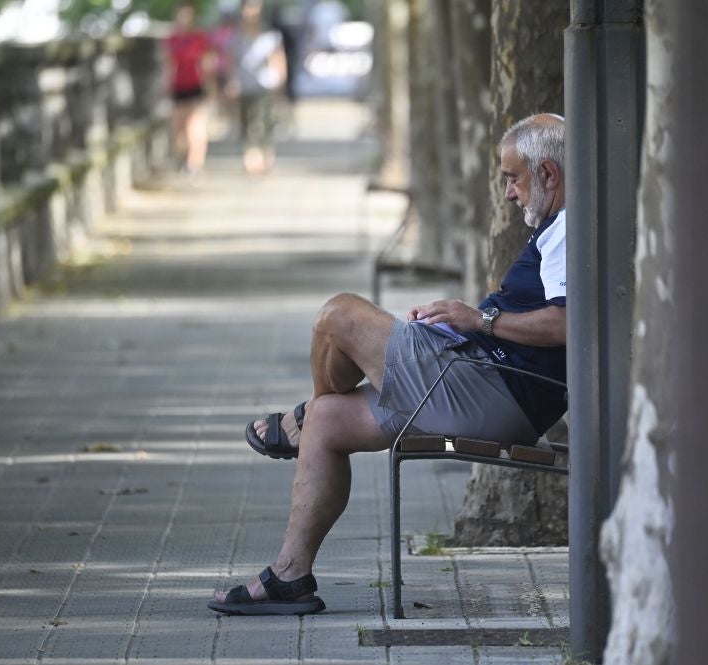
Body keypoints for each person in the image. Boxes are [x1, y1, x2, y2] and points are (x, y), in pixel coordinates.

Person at [208, 113, 568, 615]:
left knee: (339, 315)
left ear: (548, 174)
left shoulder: (572, 229)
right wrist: (463, 322)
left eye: (514, 177)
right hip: (474, 380)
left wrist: (480, 319)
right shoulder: (560, 227)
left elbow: (569, 324)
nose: (509, 192)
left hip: (492, 391)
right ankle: (290, 576)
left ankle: (303, 415)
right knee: (331, 423)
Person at [225, 0, 287, 175]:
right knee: (246, 123)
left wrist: (280, 83)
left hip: (264, 86)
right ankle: (250, 157)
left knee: (262, 123)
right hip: (244, 86)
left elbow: (278, 60)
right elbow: (232, 61)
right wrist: (232, 82)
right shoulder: (236, 37)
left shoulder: (270, 36)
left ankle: (264, 156)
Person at [166, 2, 213, 174]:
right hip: (178, 87)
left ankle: (195, 164)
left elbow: (206, 64)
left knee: (196, 127)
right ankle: (183, 159)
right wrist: (166, 86)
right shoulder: (172, 40)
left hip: (196, 87)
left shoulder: (199, 38)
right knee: (178, 130)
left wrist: (210, 87)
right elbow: (167, 64)